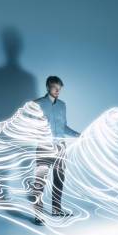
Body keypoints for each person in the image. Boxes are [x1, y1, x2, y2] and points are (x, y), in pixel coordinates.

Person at [32, 76, 80, 225]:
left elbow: (63, 126)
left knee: (59, 180)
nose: (57, 91)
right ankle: (38, 214)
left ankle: (56, 209)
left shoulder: (62, 105)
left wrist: (77, 134)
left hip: (60, 148)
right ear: (47, 87)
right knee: (40, 181)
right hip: (44, 147)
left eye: (60, 88)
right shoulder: (37, 104)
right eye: (54, 88)